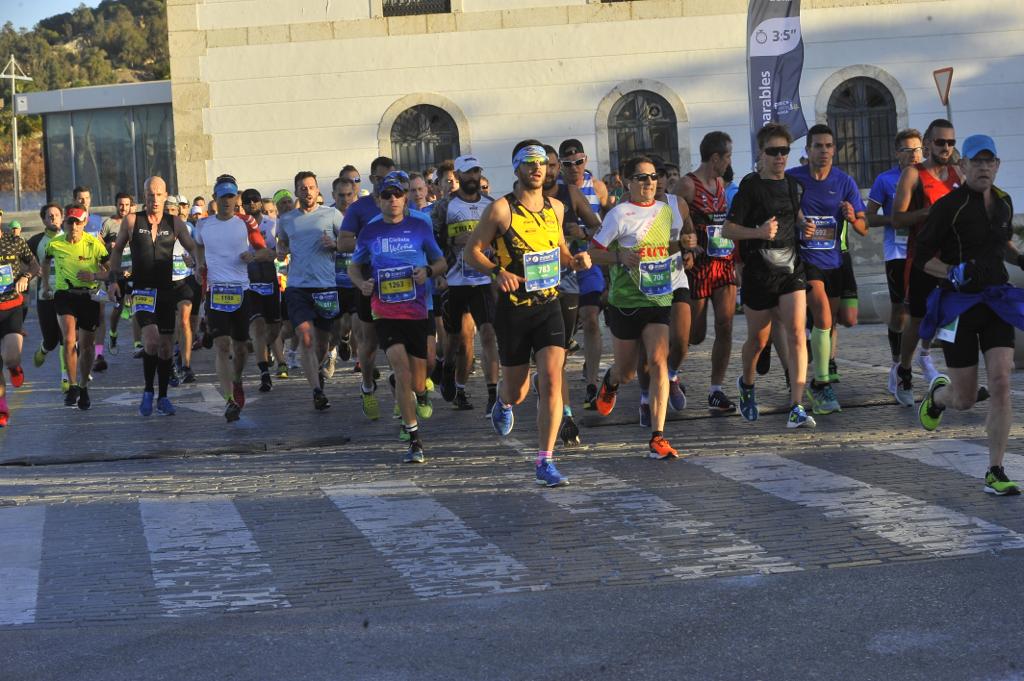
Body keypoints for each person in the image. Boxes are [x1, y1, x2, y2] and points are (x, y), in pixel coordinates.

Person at [464, 140, 591, 487]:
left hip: (550, 305)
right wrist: (496, 272)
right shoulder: (502, 210)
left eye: (543, 164)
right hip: (514, 311)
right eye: (530, 163)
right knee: (518, 392)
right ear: (517, 168)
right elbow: (471, 251)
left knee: (552, 379)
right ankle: (503, 403)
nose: (538, 169)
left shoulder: (557, 209)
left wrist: (574, 260)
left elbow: (560, 249)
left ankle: (545, 460)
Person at [915, 135, 1022, 495]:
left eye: (989, 161)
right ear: (962, 167)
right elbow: (922, 258)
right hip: (959, 305)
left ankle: (995, 469)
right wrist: (953, 272)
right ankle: (938, 397)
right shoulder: (949, 207)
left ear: (997, 165)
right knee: (963, 399)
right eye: (977, 161)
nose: (984, 167)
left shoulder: (1004, 202)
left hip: (996, 301)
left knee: (1001, 384)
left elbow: (1001, 242)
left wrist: (1019, 258)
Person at [722, 123, 817, 428]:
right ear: (760, 154)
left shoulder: (791, 185)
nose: (780, 157)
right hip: (759, 273)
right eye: (773, 151)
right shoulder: (749, 188)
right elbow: (727, 229)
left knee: (797, 334)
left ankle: (797, 405)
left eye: (784, 151)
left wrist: (806, 226)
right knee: (757, 341)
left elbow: (795, 215)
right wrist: (758, 232)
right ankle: (747, 385)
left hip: (791, 270)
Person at [590, 156, 683, 458]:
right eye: (642, 178)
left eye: (654, 177)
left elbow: (667, 248)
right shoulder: (619, 215)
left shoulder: (666, 212)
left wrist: (685, 245)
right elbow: (594, 252)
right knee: (628, 372)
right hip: (625, 302)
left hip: (657, 298)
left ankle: (658, 436)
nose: (649, 183)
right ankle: (611, 381)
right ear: (628, 182)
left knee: (658, 362)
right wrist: (620, 258)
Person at [349, 174, 447, 463]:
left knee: (421, 375)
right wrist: (361, 284)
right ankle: (414, 437)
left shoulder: (420, 225)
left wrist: (427, 272)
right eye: (386, 195)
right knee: (401, 371)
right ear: (379, 199)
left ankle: (418, 394)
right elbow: (355, 267)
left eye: (397, 195)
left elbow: (440, 261)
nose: (392, 200)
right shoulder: (370, 230)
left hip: (418, 308)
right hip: (386, 310)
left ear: (405, 198)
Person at [787, 124, 866, 415]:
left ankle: (818, 374)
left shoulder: (844, 182)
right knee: (821, 313)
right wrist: (797, 222)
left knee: (829, 323)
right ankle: (820, 382)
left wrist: (851, 216)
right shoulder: (792, 178)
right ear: (807, 151)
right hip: (804, 259)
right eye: (818, 146)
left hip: (834, 260)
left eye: (828, 146)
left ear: (835, 149)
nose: (824, 151)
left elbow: (863, 228)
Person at [108, 176, 200, 417]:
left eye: (159, 195)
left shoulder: (176, 222)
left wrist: (199, 264)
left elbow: (191, 246)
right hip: (142, 291)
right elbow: (116, 251)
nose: (155, 199)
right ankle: (148, 391)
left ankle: (163, 397)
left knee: (167, 348)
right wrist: (113, 281)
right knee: (151, 341)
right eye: (151, 195)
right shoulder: (131, 220)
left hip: (166, 291)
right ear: (144, 196)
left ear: (166, 195)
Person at [891, 118, 963, 405]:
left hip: (952, 260)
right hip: (921, 259)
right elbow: (897, 218)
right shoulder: (913, 174)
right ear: (928, 144)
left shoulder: (959, 174)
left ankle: (958, 380)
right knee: (918, 320)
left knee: (954, 318)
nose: (946, 147)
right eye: (940, 142)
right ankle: (904, 369)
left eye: (951, 142)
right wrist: (928, 213)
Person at [195, 180, 272, 421]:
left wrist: (253, 255)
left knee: (240, 348)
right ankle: (229, 399)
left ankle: (237, 380)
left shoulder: (246, 222)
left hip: (241, 291)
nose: (227, 201)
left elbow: (266, 251)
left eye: (231, 197)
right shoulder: (203, 224)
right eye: (223, 197)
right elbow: (198, 246)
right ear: (215, 198)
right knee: (222, 345)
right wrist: (199, 265)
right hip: (215, 291)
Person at [542, 145, 602, 445]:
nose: (550, 170)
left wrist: (582, 234)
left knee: (564, 346)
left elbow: (598, 229)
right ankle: (562, 408)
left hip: (571, 274)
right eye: (547, 164)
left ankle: (583, 390)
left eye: (554, 165)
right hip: (540, 278)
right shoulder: (522, 199)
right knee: (554, 352)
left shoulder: (572, 195)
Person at [677, 131, 739, 414]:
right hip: (698, 267)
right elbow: (668, 219)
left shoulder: (720, 183)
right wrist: (684, 245)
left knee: (725, 325)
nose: (729, 162)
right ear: (715, 158)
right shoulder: (687, 185)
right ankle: (671, 369)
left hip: (723, 262)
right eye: (727, 156)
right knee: (696, 334)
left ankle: (716, 389)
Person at [432, 155, 499, 412]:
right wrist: (454, 240)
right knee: (455, 339)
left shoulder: (491, 205)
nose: (473, 178)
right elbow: (433, 242)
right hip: (454, 280)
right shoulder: (445, 206)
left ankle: (493, 394)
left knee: (488, 334)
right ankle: (448, 369)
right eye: (468, 173)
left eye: (476, 172)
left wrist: (489, 248)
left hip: (483, 279)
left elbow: (502, 238)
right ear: (458, 176)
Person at [278, 170, 345, 411]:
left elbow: (351, 241)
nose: (307, 192)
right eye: (302, 188)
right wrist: (280, 250)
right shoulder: (286, 220)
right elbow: (282, 242)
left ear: (318, 191)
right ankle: (316, 390)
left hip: (326, 286)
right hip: (297, 287)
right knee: (306, 337)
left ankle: (320, 367)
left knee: (322, 342)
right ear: (296, 192)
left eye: (311, 187)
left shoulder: (332, 214)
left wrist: (335, 244)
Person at [338, 157, 399, 419]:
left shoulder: (401, 205)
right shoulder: (360, 208)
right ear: (372, 179)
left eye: (392, 178)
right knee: (370, 342)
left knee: (399, 341)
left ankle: (402, 394)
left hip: (399, 283)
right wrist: (370, 244)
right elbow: (343, 243)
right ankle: (367, 386)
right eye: (382, 179)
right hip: (367, 283)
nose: (388, 185)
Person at [866, 129, 925, 398]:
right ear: (896, 153)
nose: (914, 155)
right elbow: (869, 218)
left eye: (918, 149)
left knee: (924, 310)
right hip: (898, 252)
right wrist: (898, 219)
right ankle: (897, 364)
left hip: (925, 252)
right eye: (908, 150)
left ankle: (915, 366)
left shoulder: (928, 176)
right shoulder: (884, 180)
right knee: (901, 310)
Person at [558, 139, 610, 411]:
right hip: (560, 266)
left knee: (591, 319)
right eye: (567, 164)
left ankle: (592, 381)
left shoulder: (597, 187)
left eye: (578, 162)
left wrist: (585, 233)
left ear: (585, 160)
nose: (574, 168)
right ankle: (553, 378)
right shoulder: (552, 189)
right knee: (564, 330)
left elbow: (603, 228)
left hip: (589, 262)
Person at [42, 206, 109, 410]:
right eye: (70, 222)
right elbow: (44, 261)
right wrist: (46, 285)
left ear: (84, 223)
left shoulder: (94, 244)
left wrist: (95, 276)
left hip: (87, 296)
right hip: (64, 296)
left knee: (87, 347)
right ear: (64, 223)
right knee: (69, 338)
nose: (73, 226)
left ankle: (83, 386)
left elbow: (110, 271)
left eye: (77, 222)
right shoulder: (55, 244)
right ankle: (72, 385)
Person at [240, 188, 283, 393]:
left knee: (274, 328)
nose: (251, 204)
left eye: (255, 200)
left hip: (269, 279)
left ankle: (262, 348)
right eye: (247, 201)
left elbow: (278, 252)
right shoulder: (238, 225)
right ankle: (264, 373)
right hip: (249, 282)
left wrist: (263, 255)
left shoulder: (272, 224)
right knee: (257, 326)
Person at [0, 213, 38, 425]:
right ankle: (2, 407)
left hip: (11, 306)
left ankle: (15, 367)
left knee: (11, 357)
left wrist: (25, 277)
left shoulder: (14, 241)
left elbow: (34, 266)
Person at [28, 204, 68, 391]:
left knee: (66, 338)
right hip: (45, 297)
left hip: (66, 295)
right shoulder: (35, 241)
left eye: (57, 215)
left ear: (62, 218)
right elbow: (23, 264)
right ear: (43, 220)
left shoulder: (70, 238)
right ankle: (43, 348)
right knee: (52, 340)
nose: (53, 218)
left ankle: (65, 377)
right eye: (49, 216)